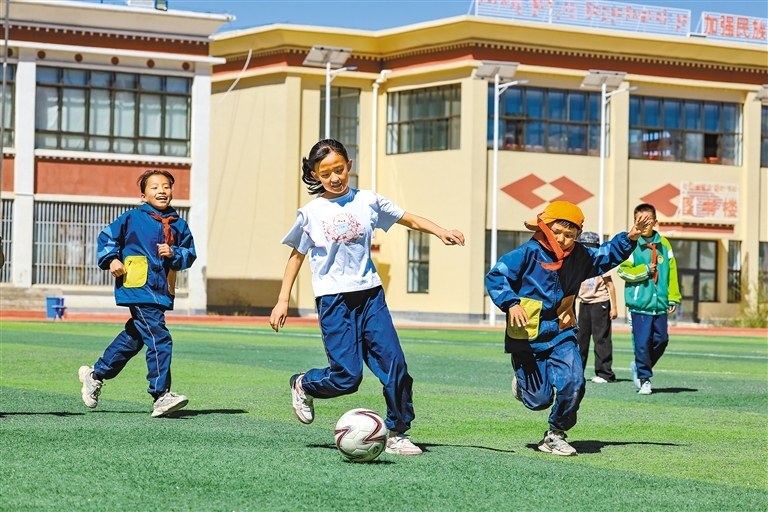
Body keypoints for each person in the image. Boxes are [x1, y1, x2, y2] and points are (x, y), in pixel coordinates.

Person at [269, 139, 465, 456]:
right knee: (347, 377)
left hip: (370, 295)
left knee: (396, 366)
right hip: (334, 301)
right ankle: (304, 384)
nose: (334, 177)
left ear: (349, 165)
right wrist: (283, 300)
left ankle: (398, 433)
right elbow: (296, 257)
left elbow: (408, 218)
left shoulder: (368, 201)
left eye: (338, 169)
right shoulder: (311, 213)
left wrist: (440, 231)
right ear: (315, 176)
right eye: (325, 172)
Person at [486, 201, 653, 456]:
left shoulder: (579, 257)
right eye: (557, 232)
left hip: (562, 331)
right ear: (545, 227)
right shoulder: (526, 253)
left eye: (570, 235)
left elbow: (605, 256)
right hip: (527, 335)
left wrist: (630, 237)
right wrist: (511, 304)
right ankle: (523, 385)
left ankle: (555, 434)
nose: (563, 239)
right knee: (538, 400)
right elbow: (497, 276)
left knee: (574, 381)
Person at [78, 169, 196, 418]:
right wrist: (111, 260)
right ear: (143, 195)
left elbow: (189, 254)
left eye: (165, 186)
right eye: (154, 187)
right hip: (137, 287)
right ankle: (161, 395)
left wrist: (174, 253)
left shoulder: (179, 225)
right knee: (160, 337)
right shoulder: (131, 218)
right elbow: (107, 238)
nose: (161, 190)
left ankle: (95, 375)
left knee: (135, 337)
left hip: (161, 290)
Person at [617, 203, 681, 396]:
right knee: (642, 343)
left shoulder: (664, 244)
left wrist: (673, 297)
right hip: (640, 305)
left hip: (660, 304)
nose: (644, 224)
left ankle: (640, 365)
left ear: (655, 222)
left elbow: (672, 272)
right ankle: (645, 379)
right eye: (640, 220)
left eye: (648, 220)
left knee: (661, 340)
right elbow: (622, 271)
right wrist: (645, 271)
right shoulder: (632, 245)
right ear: (635, 221)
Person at [575, 231, 618, 384]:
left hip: (600, 303)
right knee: (581, 339)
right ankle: (577, 372)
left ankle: (605, 374)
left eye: (591, 246)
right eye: (585, 246)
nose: (588, 249)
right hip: (585, 304)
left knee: (602, 339)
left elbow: (610, 285)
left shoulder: (600, 262)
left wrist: (614, 307)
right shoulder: (577, 263)